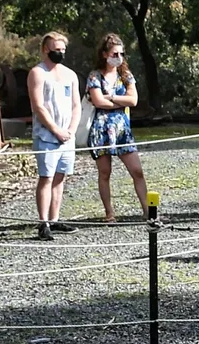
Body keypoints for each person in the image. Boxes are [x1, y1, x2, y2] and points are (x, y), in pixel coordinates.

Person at [85, 33, 148, 221]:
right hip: (101, 129)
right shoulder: (95, 75)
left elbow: (133, 100)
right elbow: (97, 101)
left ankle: (148, 211)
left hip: (122, 129)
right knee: (105, 172)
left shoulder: (125, 75)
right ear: (105, 54)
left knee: (137, 170)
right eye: (114, 54)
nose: (118, 58)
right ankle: (109, 212)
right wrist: (119, 102)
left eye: (121, 54)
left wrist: (111, 98)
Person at [27, 31, 81, 241]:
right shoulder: (37, 73)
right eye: (55, 50)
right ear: (45, 49)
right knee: (47, 177)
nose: (59, 53)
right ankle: (43, 223)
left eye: (62, 50)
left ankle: (55, 218)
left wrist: (70, 129)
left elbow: (76, 105)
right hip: (46, 135)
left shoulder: (70, 75)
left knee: (61, 177)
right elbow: (38, 106)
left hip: (67, 135)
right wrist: (55, 130)